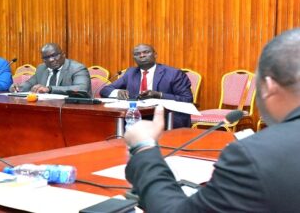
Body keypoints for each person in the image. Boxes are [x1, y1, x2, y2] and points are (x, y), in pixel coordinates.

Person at [124, 28, 300, 212]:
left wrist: (143, 148)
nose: (142, 56)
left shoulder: (251, 155)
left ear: (269, 86)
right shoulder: (131, 73)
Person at [100, 43, 193, 128]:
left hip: (167, 116)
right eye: (137, 54)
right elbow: (105, 90)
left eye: (146, 52)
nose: (142, 55)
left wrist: (159, 95)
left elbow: (187, 99)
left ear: (155, 55)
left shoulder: (173, 73)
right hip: (137, 115)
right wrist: (117, 92)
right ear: (134, 58)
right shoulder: (131, 72)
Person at [10, 43, 91, 95]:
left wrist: (50, 89)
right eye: (46, 57)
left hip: (71, 109)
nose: (51, 60)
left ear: (63, 54)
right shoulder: (42, 68)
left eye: (54, 55)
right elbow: (29, 83)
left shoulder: (77, 68)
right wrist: (18, 87)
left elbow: (81, 88)